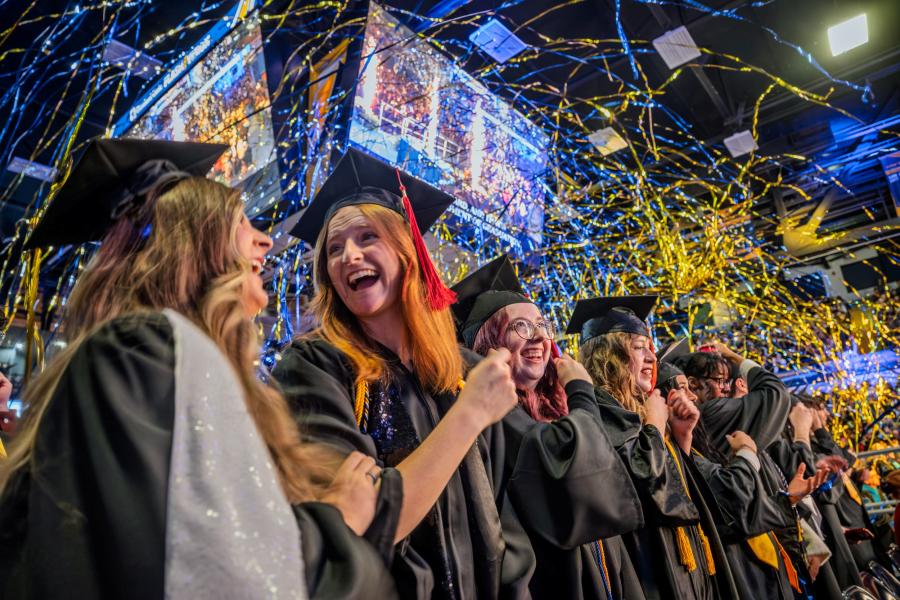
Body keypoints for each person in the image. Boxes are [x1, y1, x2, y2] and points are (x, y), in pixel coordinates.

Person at [0, 139, 397, 599]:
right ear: (195, 245)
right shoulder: (139, 353)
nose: (265, 240)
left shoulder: (159, 358)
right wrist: (336, 524)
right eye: (242, 223)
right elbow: (194, 566)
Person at [272, 148, 534, 599]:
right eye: (334, 248)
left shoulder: (460, 372)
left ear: (406, 250)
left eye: (366, 237)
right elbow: (358, 525)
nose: (349, 255)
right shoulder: (315, 367)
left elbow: (500, 525)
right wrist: (469, 414)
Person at [451, 255, 644, 600]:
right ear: (488, 343)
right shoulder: (494, 420)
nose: (540, 337)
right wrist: (581, 390)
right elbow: (576, 481)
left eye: (542, 325)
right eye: (521, 326)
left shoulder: (555, 411)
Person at [568, 296, 735, 600]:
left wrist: (682, 440)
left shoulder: (636, 411)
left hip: (682, 566)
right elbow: (646, 491)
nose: (651, 358)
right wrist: (656, 426)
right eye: (638, 348)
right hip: (649, 568)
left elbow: (682, 498)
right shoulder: (600, 412)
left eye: (650, 348)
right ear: (610, 355)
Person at [655, 344, 799, 600]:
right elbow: (734, 500)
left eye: (727, 381)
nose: (693, 398)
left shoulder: (695, 447)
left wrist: (786, 502)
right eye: (719, 380)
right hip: (740, 565)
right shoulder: (707, 420)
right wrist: (746, 453)